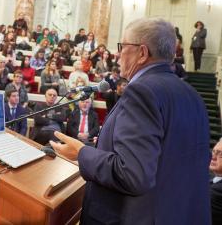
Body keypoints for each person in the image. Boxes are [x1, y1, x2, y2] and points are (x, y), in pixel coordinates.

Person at [50, 18, 210, 224]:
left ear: (142, 53)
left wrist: (82, 153)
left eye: (122, 46)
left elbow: (133, 174)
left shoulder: (142, 91)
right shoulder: (193, 95)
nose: (117, 54)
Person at [210, 139, 222, 224]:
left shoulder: (218, 190)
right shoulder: (214, 181)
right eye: (213, 152)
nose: (213, 157)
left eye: (220, 154)